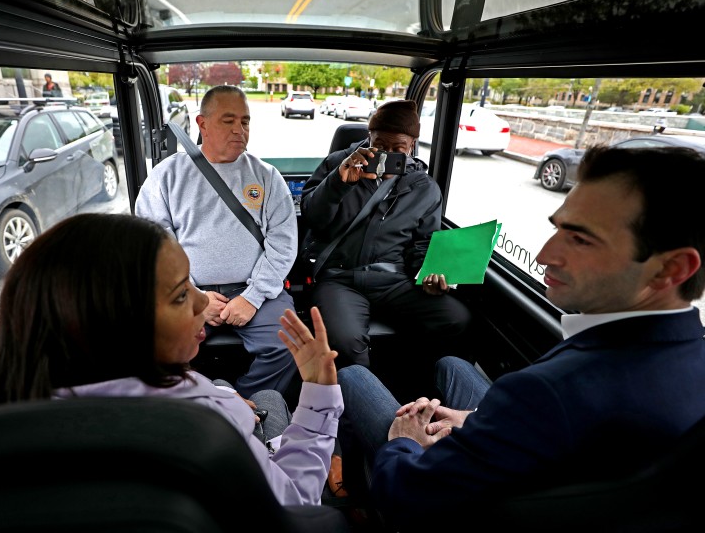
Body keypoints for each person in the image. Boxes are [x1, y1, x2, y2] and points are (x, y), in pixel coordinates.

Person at [336, 145, 705, 531]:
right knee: (453, 365)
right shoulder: (689, 353)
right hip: (550, 473)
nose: (545, 255)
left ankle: (357, 499)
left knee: (353, 376)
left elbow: (406, 496)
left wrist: (405, 441)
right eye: (557, 228)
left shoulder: (548, 393)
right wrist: (479, 420)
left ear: (671, 269)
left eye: (581, 239)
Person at [0, 213, 343, 506]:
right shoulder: (207, 428)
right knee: (271, 398)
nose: (203, 303)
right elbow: (295, 503)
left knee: (223, 386)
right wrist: (317, 394)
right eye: (180, 295)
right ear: (120, 324)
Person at [135, 85, 299, 400]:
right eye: (228, 120)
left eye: (245, 121)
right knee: (153, 345)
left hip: (254, 290)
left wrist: (252, 297)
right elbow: (153, 240)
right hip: (186, 290)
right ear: (202, 124)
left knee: (290, 343)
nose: (240, 129)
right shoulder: (167, 175)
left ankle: (248, 406)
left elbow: (283, 243)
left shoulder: (266, 176)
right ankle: (201, 403)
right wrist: (191, 294)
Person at [299, 99, 472, 370]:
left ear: (412, 145)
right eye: (380, 146)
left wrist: (428, 272)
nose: (388, 154)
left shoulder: (424, 188)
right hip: (341, 278)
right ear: (369, 137)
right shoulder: (338, 164)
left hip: (395, 280)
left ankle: (411, 382)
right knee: (345, 341)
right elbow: (311, 217)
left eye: (398, 149)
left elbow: (423, 243)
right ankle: (361, 397)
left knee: (454, 318)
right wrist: (338, 183)